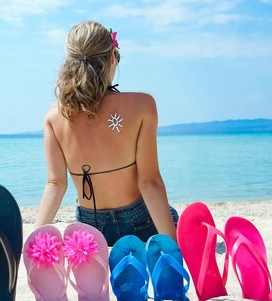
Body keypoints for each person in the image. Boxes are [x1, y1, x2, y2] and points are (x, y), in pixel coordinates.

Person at [34, 20, 178, 246]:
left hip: (91, 229)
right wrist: (172, 245)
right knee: (172, 216)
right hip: (140, 223)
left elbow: (56, 184)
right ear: (112, 57)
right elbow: (149, 182)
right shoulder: (142, 105)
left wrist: (36, 240)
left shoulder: (54, 116)